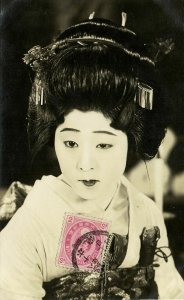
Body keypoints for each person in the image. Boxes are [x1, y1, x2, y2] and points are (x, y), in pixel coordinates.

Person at [0, 16, 184, 300]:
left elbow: (173, 293)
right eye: (71, 142)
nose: (85, 163)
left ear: (130, 141)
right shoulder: (30, 226)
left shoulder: (145, 213)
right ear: (53, 138)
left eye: (103, 145)